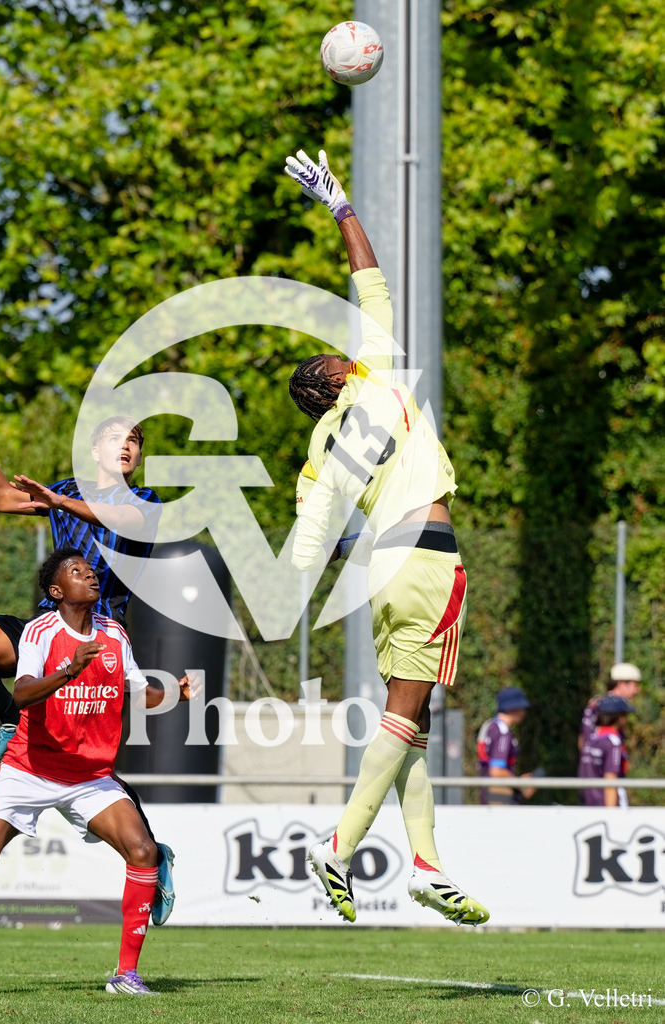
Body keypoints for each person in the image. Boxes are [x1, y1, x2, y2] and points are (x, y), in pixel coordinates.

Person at [283, 149, 488, 926]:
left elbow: (308, 548)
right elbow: (373, 285)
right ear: (328, 380)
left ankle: (429, 865)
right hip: (428, 557)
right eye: (331, 357)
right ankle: (338, 848)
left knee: (412, 722)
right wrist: (339, 206)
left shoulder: (315, 455)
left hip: (381, 570)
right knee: (405, 715)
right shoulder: (373, 377)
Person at [0, 548, 197, 996]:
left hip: (88, 776)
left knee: (143, 850)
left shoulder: (115, 634)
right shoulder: (40, 631)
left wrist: (177, 694)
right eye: (77, 571)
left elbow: (138, 693)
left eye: (90, 570)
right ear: (57, 591)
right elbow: (24, 693)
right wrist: (71, 669)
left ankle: (126, 976)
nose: (89, 575)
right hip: (28, 770)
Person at [0, 404, 175, 925]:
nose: (129, 445)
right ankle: (9, 718)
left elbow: (121, 518)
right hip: (46, 631)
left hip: (99, 643)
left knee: (88, 763)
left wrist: (57, 501)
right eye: (119, 436)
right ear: (95, 451)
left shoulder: (145, 501)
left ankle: (152, 855)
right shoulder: (65, 489)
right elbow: (3, 499)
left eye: (136, 440)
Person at [476, 687, 537, 805]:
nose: (524, 712)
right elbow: (497, 771)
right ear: (512, 708)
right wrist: (520, 783)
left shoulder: (490, 725)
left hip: (487, 796)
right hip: (498, 799)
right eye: (522, 707)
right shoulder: (503, 732)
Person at [578, 694, 634, 807]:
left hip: (588, 803)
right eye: (625, 714)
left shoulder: (593, 738)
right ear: (619, 717)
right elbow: (610, 782)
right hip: (605, 806)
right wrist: (611, 817)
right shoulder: (612, 742)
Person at [578, 662, 641, 751]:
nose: (637, 690)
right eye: (635, 685)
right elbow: (584, 742)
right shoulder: (597, 707)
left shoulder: (619, 709)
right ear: (621, 684)